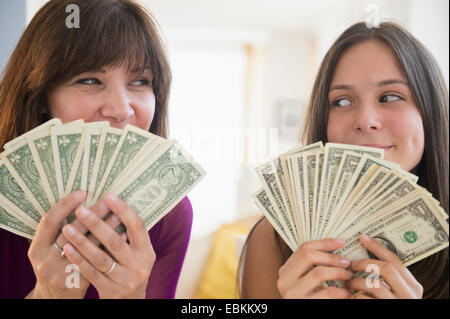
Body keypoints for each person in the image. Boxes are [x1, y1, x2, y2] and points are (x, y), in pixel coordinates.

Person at [239, 21, 449, 299]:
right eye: (341, 101)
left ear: (429, 112)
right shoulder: (270, 240)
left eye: (389, 96)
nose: (365, 121)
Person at [0, 0, 193, 299]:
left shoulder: (170, 215)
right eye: (89, 80)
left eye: (140, 81)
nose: (121, 109)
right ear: (39, 97)